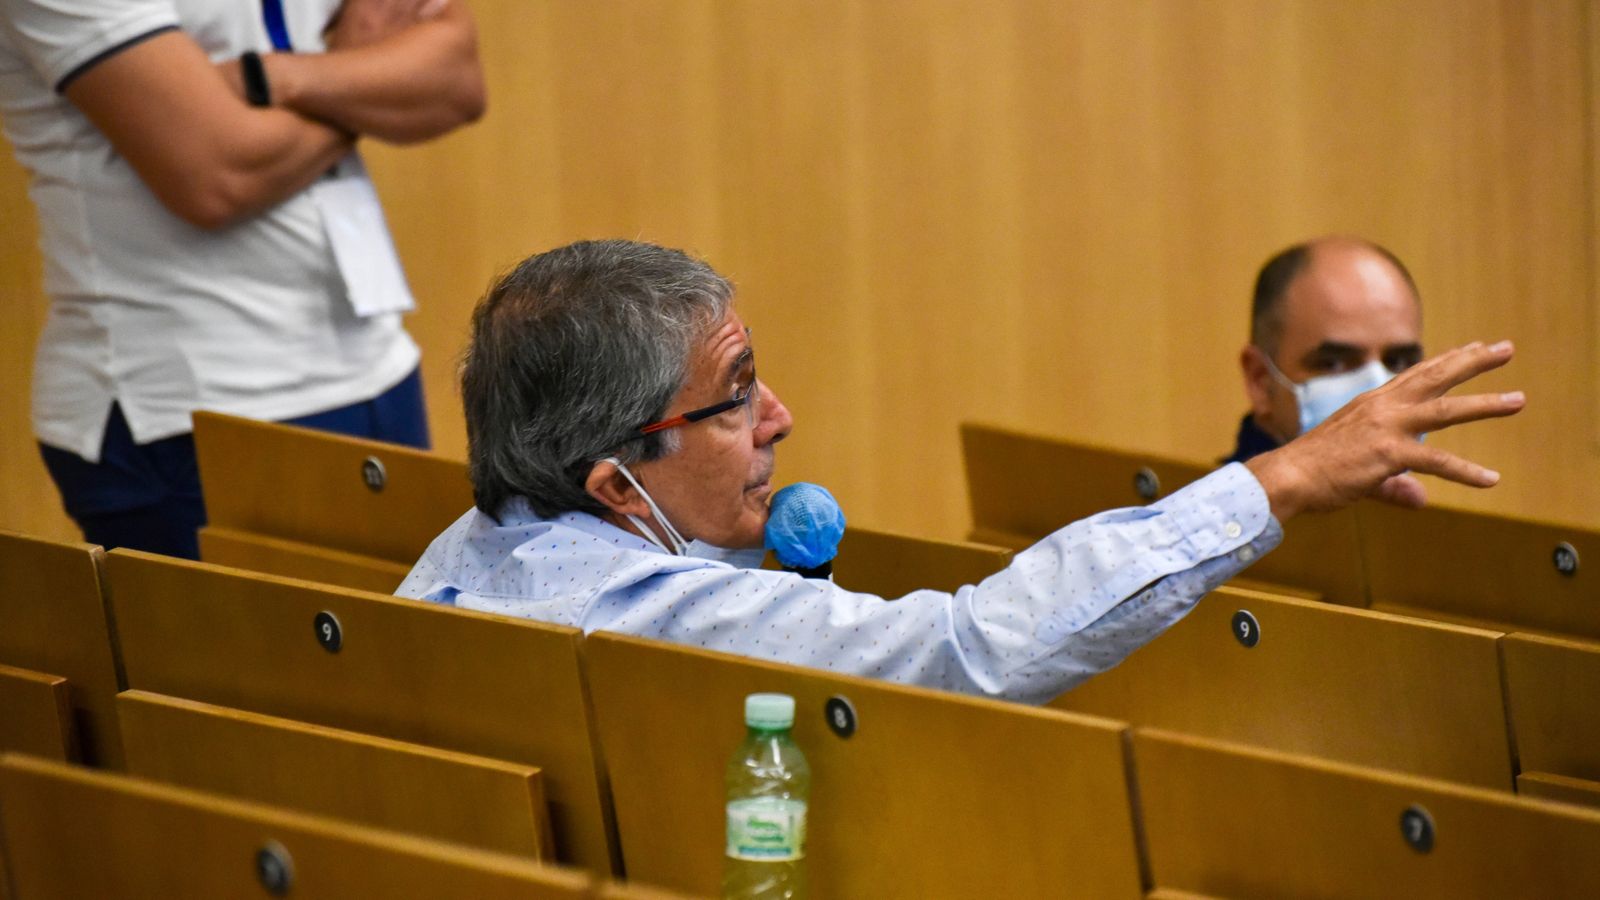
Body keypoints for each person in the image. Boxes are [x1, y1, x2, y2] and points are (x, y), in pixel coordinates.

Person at [399, 239, 1521, 705]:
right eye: (736, 397)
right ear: (612, 485)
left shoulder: (464, 555)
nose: (779, 419)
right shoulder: (659, 613)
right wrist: (1277, 480)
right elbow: (970, 647)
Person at [0, 0, 485, 558]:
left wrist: (270, 77)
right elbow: (217, 174)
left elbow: (456, 79)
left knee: (403, 642)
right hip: (191, 406)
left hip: (375, 363)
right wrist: (363, 73)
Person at [1224, 237, 1425, 464]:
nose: (1378, 396)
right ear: (1259, 380)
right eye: (1334, 364)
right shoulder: (1211, 499)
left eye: (1398, 362)